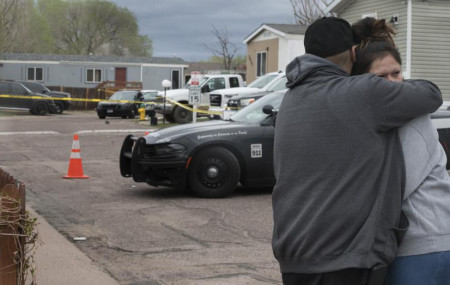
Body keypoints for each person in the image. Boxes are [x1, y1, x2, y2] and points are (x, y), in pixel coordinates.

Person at [271, 17, 442, 285]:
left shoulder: (289, 101)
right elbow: (431, 94)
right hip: (345, 259)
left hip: (293, 257)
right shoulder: (362, 94)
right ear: (353, 52)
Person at [352, 17, 450, 285]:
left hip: (426, 245)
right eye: (381, 77)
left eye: (396, 73)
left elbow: (395, 186)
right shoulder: (381, 117)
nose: (393, 82)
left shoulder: (411, 117)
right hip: (408, 249)